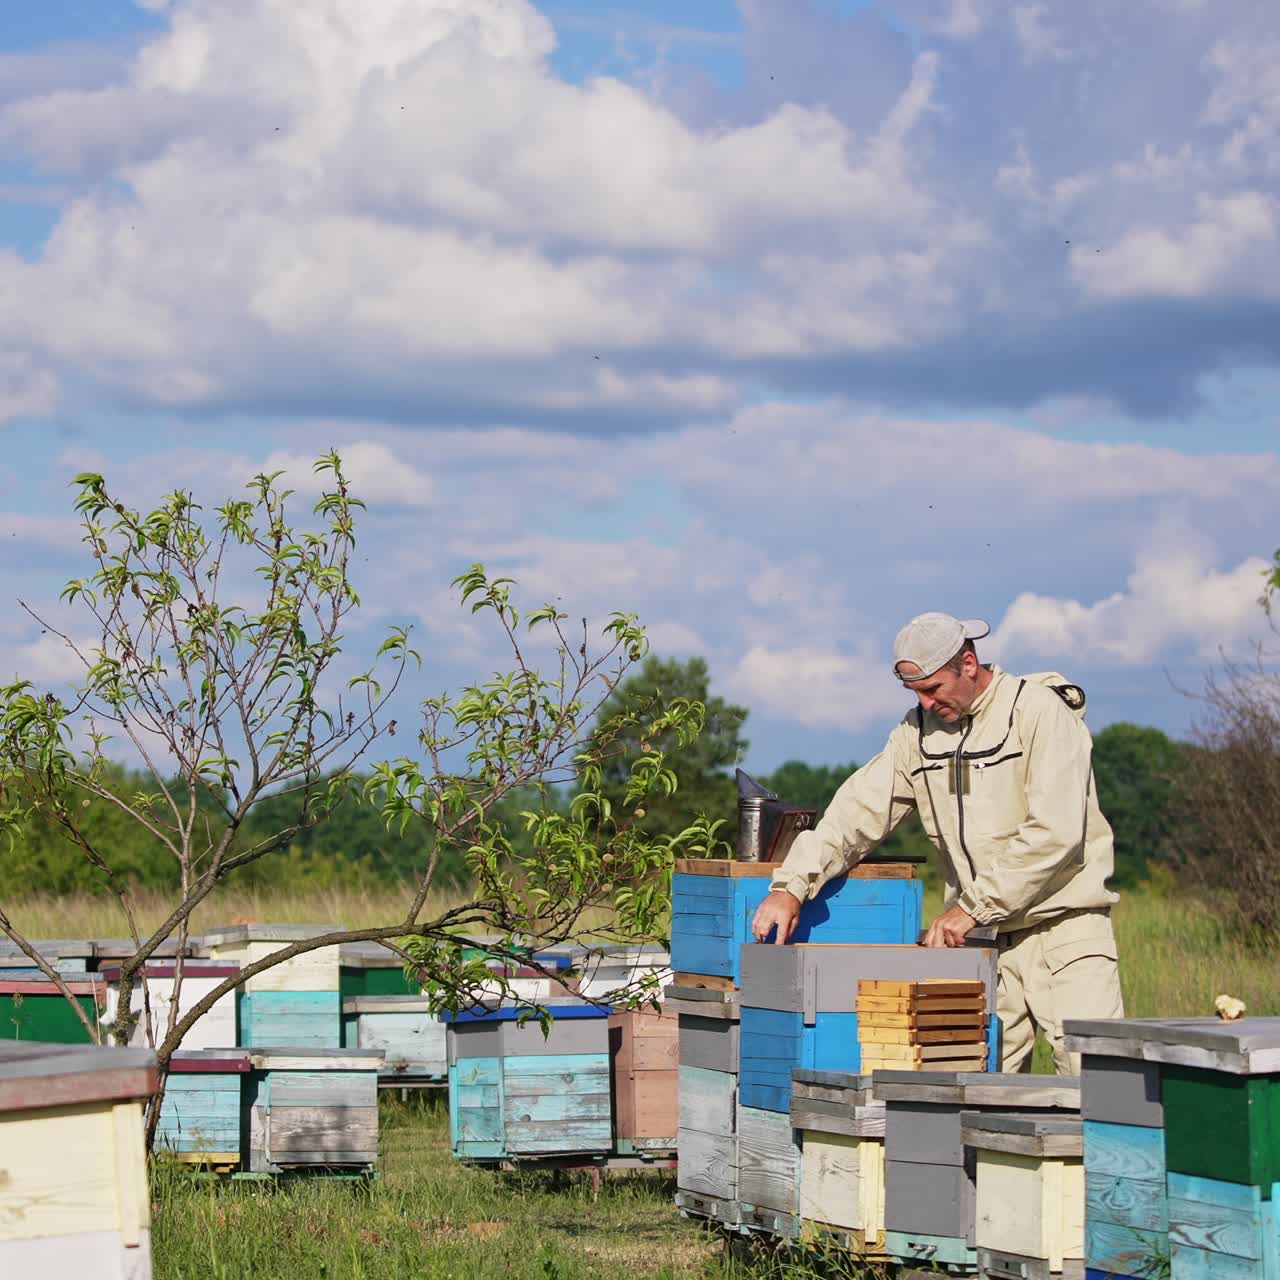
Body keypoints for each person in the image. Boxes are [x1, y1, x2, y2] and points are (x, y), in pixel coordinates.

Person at [750, 611, 1123, 1073]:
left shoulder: (1040, 713)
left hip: (1063, 930)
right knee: (974, 1082)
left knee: (1099, 1082)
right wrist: (791, 886)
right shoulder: (916, 735)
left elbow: (1055, 833)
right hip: (982, 942)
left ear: (968, 663)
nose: (925, 703)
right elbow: (853, 815)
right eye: (914, 693)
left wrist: (971, 908)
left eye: (933, 689)